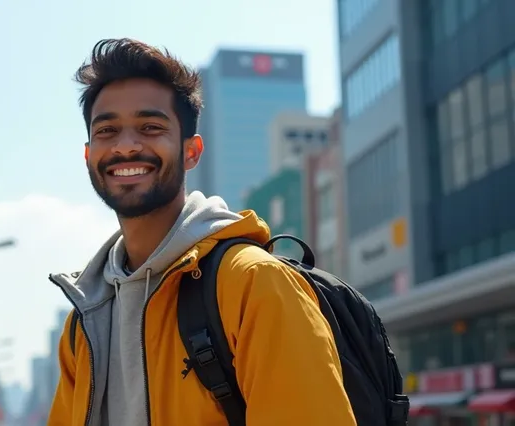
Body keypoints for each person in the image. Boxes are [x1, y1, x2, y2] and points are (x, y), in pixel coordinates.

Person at [47, 38, 356, 426]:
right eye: (107, 131)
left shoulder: (253, 284)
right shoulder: (83, 321)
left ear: (191, 151)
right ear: (89, 154)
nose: (126, 147)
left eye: (150, 127)